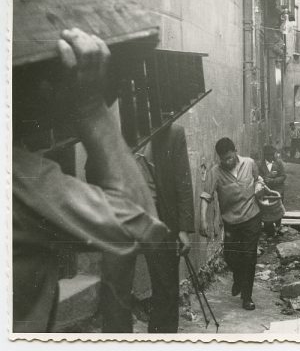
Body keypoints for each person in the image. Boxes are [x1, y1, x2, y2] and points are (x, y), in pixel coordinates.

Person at [12, 28, 168, 332]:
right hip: (106, 232)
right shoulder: (18, 175)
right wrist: (89, 106)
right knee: (116, 298)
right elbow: (139, 221)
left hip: (100, 229)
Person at [100, 123, 195, 333]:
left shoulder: (173, 132)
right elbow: (94, 171)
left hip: (160, 219)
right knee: (115, 292)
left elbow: (183, 180)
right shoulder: (112, 127)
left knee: (166, 289)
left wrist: (183, 228)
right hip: (121, 220)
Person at [197, 138, 266, 311]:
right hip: (231, 222)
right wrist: (203, 219)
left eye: (229, 157)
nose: (227, 161)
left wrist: (259, 186)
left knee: (249, 257)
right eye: (223, 159)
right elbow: (206, 196)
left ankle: (247, 297)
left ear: (235, 151)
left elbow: (259, 179)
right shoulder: (215, 172)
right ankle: (238, 277)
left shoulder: (249, 163)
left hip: (251, 216)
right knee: (230, 256)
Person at [258, 145, 286, 236]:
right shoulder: (260, 165)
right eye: (270, 155)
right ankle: (268, 229)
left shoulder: (279, 163)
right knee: (267, 209)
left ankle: (278, 226)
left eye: (273, 154)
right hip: (266, 191)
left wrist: (273, 181)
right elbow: (258, 177)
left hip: (278, 190)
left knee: (277, 208)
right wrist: (265, 179)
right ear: (266, 155)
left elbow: (283, 176)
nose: (273, 157)